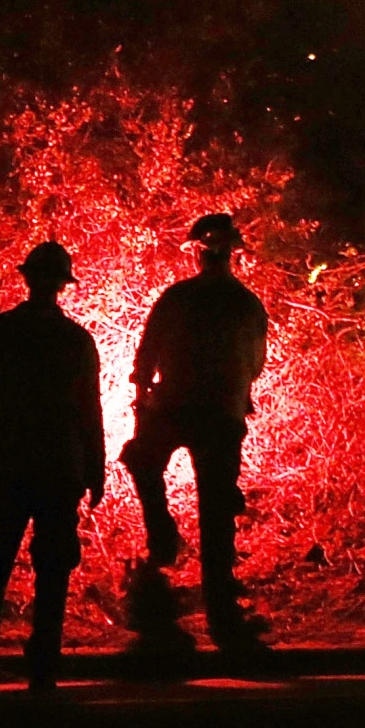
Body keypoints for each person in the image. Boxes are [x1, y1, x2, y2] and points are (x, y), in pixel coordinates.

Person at [0, 238, 105, 693]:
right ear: (62, 285)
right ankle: (43, 667)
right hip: (58, 466)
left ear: (29, 279)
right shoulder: (75, 340)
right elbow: (88, 411)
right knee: (53, 568)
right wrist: (94, 469)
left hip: (7, 464)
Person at [121, 212, 268, 651]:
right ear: (231, 254)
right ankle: (222, 616)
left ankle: (161, 548)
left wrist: (146, 402)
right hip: (221, 415)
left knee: (142, 460)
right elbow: (255, 364)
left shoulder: (178, 297)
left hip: (178, 408)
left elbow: (145, 359)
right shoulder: (246, 303)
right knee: (217, 516)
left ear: (197, 253)